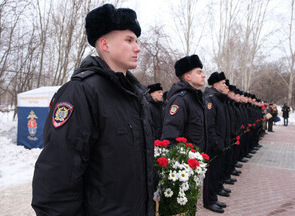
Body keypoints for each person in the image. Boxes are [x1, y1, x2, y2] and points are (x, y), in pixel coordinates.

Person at [31, 4, 155, 216]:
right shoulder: (81, 93)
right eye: (129, 40)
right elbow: (56, 182)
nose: (138, 48)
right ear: (105, 44)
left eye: (137, 41)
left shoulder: (137, 97)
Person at [161, 54, 206, 149]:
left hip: (198, 158)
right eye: (199, 72)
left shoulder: (196, 98)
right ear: (188, 77)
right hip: (187, 160)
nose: (203, 75)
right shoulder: (180, 99)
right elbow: (170, 136)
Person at [203, 72, 229, 213]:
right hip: (213, 145)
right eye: (223, 83)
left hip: (220, 143)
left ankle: (213, 198)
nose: (225, 85)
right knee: (210, 175)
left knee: (216, 173)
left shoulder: (219, 99)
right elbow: (210, 126)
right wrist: (217, 143)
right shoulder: (210, 99)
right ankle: (208, 201)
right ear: (216, 84)